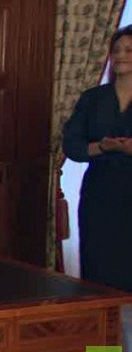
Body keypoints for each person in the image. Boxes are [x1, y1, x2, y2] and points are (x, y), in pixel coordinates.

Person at [62, 24, 132, 293]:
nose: (121, 56)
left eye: (129, 50)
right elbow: (72, 145)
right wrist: (102, 147)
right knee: (99, 271)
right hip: (100, 194)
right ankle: (102, 321)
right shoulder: (93, 98)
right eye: (117, 50)